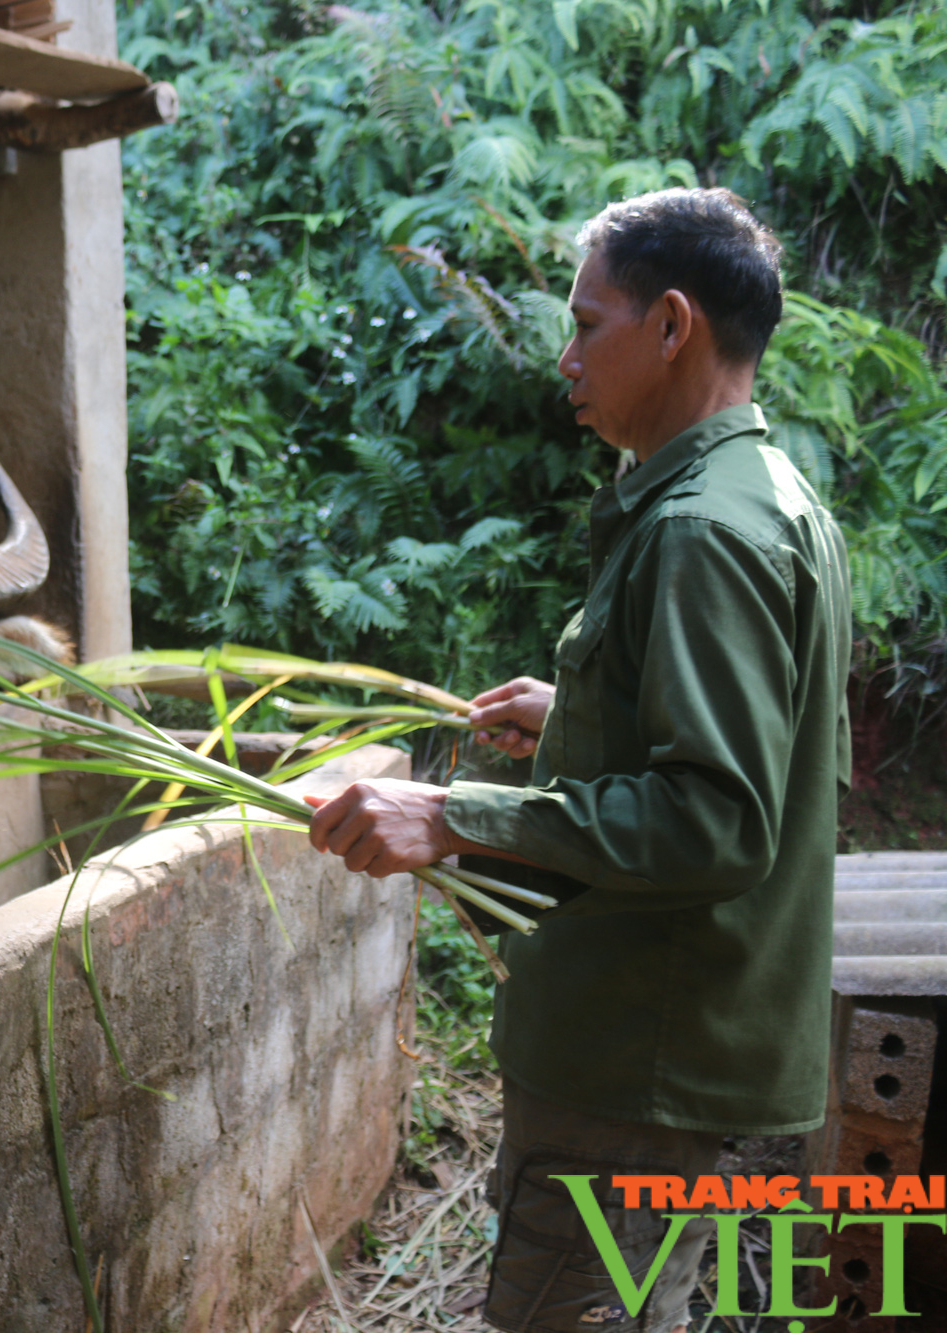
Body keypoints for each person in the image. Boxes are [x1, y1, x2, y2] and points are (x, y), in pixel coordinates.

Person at [305, 188, 852, 1333]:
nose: (563, 356)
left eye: (584, 321)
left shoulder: (702, 529)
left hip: (629, 1055)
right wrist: (585, 708)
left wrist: (455, 818)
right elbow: (767, 736)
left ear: (668, 326)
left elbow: (713, 820)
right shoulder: (768, 497)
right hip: (667, 1044)